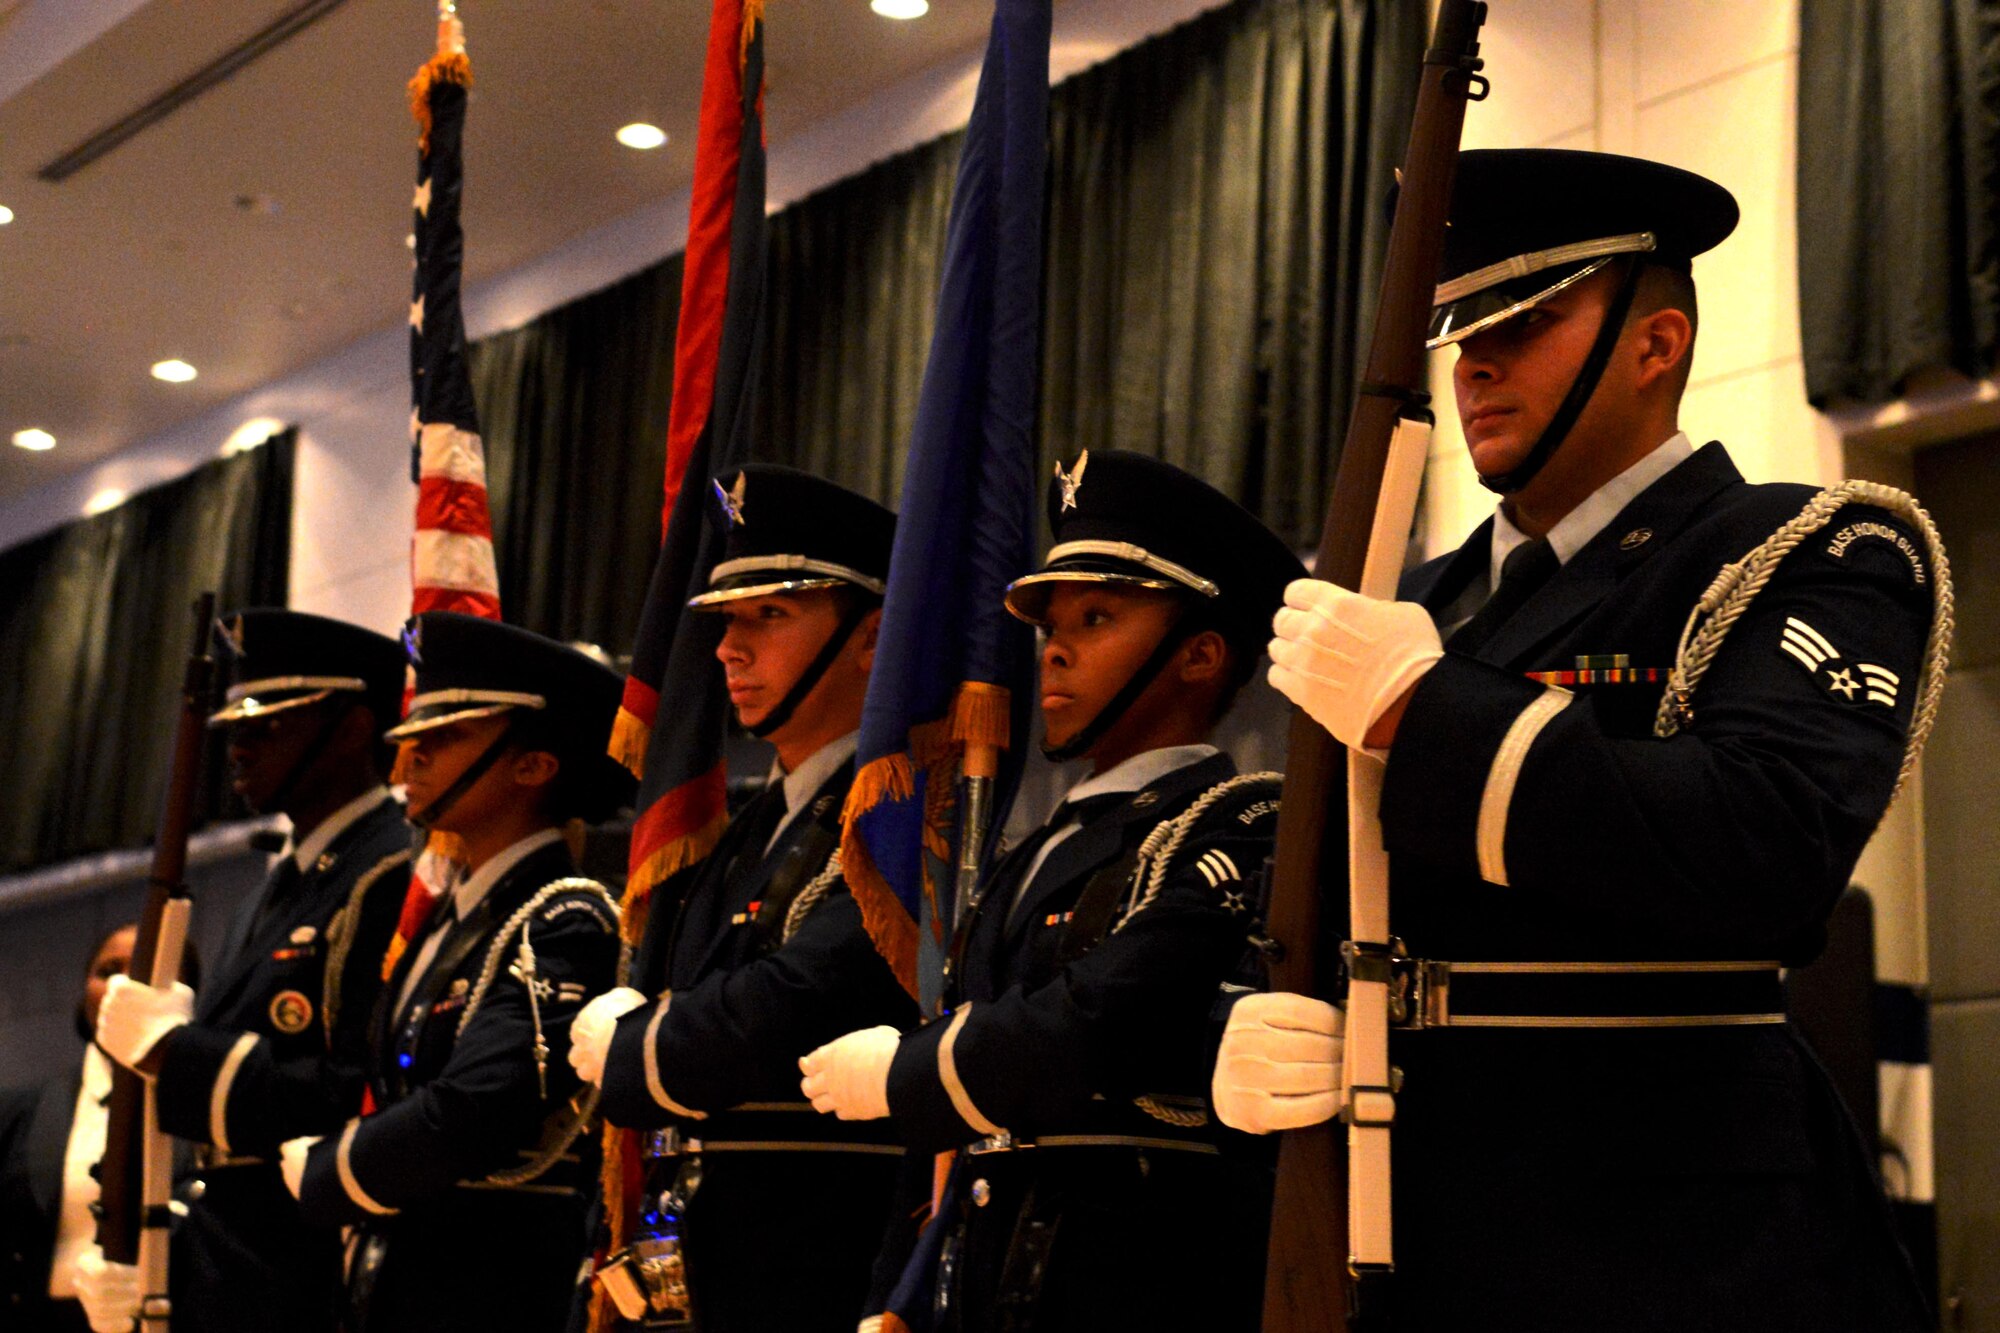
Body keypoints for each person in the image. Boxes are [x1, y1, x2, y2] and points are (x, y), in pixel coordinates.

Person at [1218, 149, 1944, 1331]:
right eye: (1459, 332)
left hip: (1669, 1245)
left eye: (1532, 320)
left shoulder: (1805, 550)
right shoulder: (1423, 597)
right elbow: (1305, 876)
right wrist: (1245, 1025)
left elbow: (1765, 844)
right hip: (1416, 1230)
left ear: (1654, 346)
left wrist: (1426, 714)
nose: (1475, 364)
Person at [802, 450, 1304, 1331]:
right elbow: (955, 1126)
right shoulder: (1033, 847)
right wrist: (899, 1294)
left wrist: (907, 1071)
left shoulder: (1234, 822)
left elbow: (1102, 1021)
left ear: (1199, 654)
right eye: (1051, 624)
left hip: (1137, 1283)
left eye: (1098, 616)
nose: (1056, 648)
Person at [569, 464, 918, 1333]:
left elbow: (794, 1003)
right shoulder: (751, 827)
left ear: (871, 636)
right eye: (728, 618)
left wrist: (637, 1044)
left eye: (770, 614)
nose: (729, 647)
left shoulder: (902, 818)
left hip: (814, 1273)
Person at [281, 612, 633, 1332]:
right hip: (408, 1282)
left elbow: (476, 1109)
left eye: (441, 738)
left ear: (533, 764)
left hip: (497, 1291)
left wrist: (333, 1169)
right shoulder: (447, 920)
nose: (407, 761)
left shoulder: (564, 918)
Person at [82, 609, 411, 1333]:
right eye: (235, 727)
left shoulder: (388, 871)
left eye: (267, 725)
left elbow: (357, 1089)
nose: (238, 746)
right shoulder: (281, 885)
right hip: (238, 1263)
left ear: (352, 729)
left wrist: (177, 1050)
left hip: (312, 1263)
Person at [1, 926, 197, 1333]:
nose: (124, 985)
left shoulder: (212, 1114)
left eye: (148, 972)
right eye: (108, 971)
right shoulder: (22, 1112)